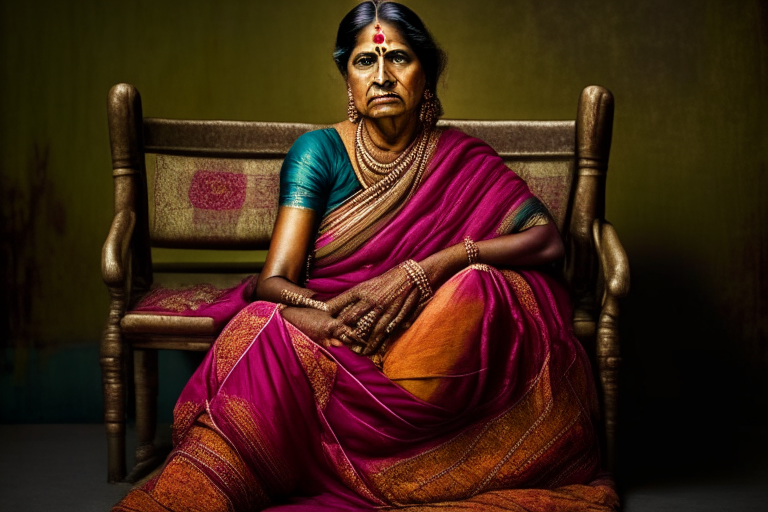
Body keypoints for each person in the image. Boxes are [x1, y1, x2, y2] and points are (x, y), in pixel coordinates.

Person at [113, 1, 619, 511]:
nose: (381, 76)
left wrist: (432, 266)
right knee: (265, 327)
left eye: (398, 58)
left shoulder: (459, 156)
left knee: (486, 285)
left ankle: (432, 462)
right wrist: (327, 316)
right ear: (347, 80)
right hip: (342, 332)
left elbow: (547, 240)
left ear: (428, 75)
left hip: (424, 345)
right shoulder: (319, 153)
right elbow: (274, 280)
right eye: (364, 62)